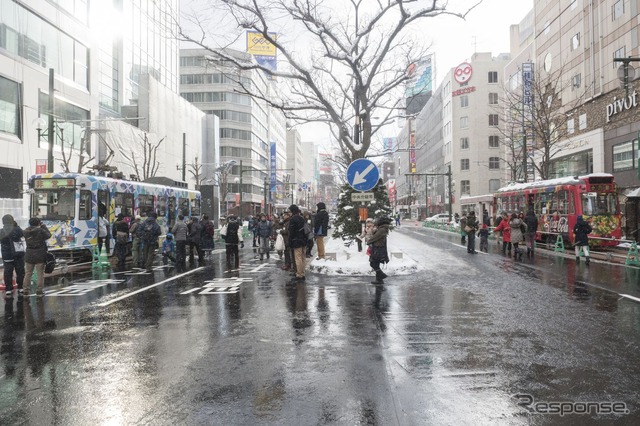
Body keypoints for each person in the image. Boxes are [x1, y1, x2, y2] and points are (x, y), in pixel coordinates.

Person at [22, 218, 52, 298]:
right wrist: (43, 226)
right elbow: (49, 235)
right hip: (39, 254)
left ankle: (25, 291)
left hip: (29, 254)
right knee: (40, 274)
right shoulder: (40, 231)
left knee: (28, 273)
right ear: (38, 223)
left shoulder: (25, 231)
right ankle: (39, 291)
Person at [0, 214, 25, 299]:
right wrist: (16, 225)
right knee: (20, 271)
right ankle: (21, 287)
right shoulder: (17, 229)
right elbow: (22, 234)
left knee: (7, 272)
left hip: (6, 255)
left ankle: (8, 289)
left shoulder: (1, 231)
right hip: (18, 254)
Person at [367, 216, 391, 284]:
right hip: (378, 248)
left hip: (378, 249)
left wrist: (369, 241)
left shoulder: (382, 230)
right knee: (376, 263)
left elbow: (375, 237)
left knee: (373, 263)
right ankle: (379, 280)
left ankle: (381, 275)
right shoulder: (381, 228)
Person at [287, 205, 307, 280]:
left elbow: (291, 232)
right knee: (303, 257)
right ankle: (303, 272)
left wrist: (290, 241)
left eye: (290, 211)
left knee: (298, 258)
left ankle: (299, 274)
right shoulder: (302, 218)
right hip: (304, 240)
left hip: (296, 241)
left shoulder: (293, 220)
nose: (289, 213)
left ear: (293, 211)